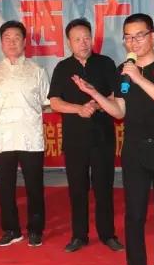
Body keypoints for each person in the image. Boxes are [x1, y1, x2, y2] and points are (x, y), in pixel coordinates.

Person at [73, 13, 154, 265]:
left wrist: (139, 77)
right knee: (134, 215)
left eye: (139, 36)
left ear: (152, 35)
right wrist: (96, 95)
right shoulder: (122, 71)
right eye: (128, 37)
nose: (133, 42)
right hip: (135, 151)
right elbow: (120, 110)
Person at [49, 18, 124, 253]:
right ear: (69, 42)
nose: (83, 43)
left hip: (102, 137)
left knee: (104, 188)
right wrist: (79, 109)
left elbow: (116, 97)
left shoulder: (105, 63)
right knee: (77, 189)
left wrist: (97, 105)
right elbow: (55, 102)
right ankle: (79, 235)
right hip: (75, 140)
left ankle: (108, 234)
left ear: (92, 39)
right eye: (77, 39)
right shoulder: (62, 68)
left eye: (86, 38)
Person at [0, 20, 50, 247]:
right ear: (1, 43)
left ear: (24, 42)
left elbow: (45, 103)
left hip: (30, 137)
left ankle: (35, 229)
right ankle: (11, 230)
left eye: (16, 38)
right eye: (7, 38)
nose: (12, 43)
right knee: (5, 188)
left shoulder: (37, 71)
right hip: (3, 138)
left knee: (34, 187)